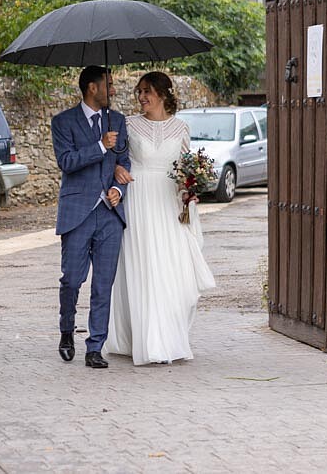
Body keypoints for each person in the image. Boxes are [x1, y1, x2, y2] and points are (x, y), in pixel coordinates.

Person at [106, 71, 215, 365]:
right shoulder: (128, 124)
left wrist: (189, 191)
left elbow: (183, 169)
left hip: (167, 202)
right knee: (144, 267)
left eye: (147, 91)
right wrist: (117, 170)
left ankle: (169, 335)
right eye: (139, 92)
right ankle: (146, 340)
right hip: (138, 199)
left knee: (173, 269)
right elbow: (115, 159)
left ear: (163, 94)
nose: (141, 97)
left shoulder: (181, 128)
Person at [51, 66, 131, 369]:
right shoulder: (63, 122)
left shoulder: (119, 121)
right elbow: (67, 162)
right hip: (76, 214)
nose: (113, 89)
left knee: (103, 284)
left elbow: (124, 163)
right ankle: (66, 330)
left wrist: (117, 190)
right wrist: (100, 146)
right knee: (72, 279)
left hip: (110, 215)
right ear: (92, 88)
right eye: (108, 85)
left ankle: (95, 345)